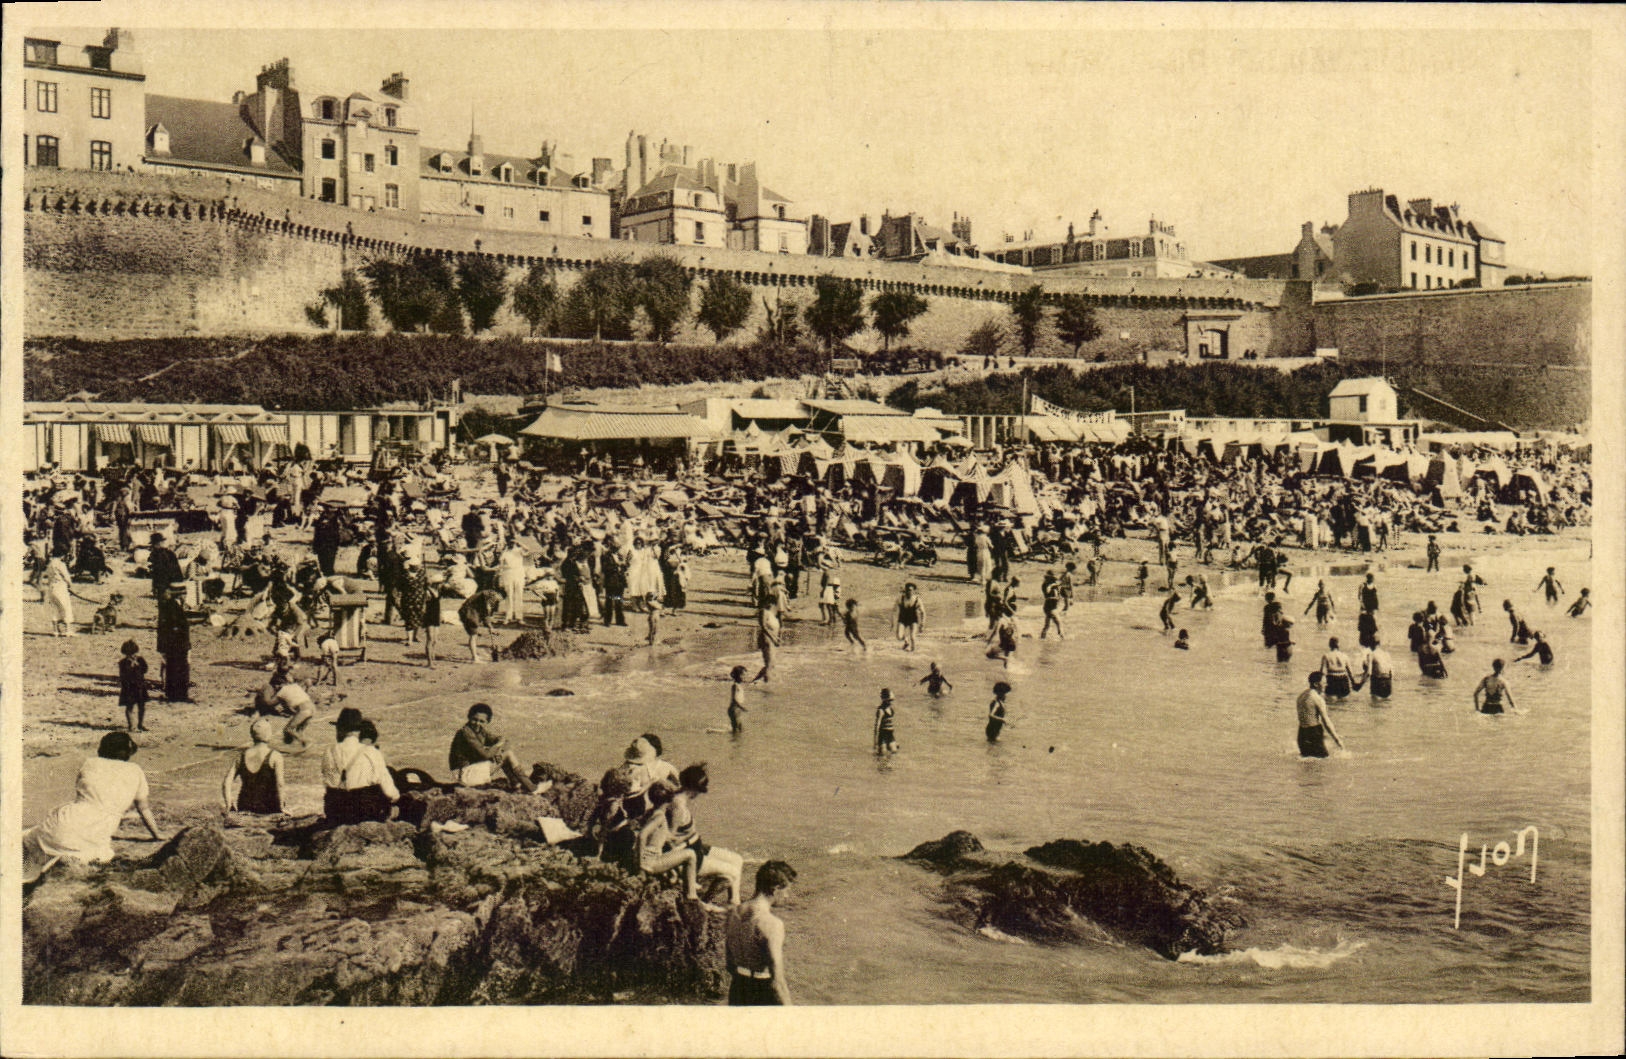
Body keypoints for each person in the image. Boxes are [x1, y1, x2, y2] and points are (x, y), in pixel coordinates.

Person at [22, 731, 166, 883]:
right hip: (97, 829)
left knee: (31, 841)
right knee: (91, 853)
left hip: (66, 820)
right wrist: (157, 834)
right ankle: (61, 862)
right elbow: (143, 809)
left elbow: (83, 792)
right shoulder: (135, 771)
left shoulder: (90, 763)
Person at [665, 763, 744, 904]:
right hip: (690, 855)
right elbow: (669, 839)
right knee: (733, 872)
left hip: (696, 847)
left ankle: (732, 900)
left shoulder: (678, 798)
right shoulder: (678, 807)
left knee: (737, 859)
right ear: (694, 789)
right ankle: (723, 903)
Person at [725, 860, 797, 1005]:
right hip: (762, 991)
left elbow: (729, 963)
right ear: (776, 889)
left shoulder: (733, 913)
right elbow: (778, 982)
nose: (787, 896)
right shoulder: (772, 924)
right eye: (787, 890)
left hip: (737, 987)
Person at [320, 707, 399, 824]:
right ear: (359, 731)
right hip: (365, 810)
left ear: (340, 729)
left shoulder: (329, 751)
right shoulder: (371, 751)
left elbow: (329, 780)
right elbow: (388, 789)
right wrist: (395, 800)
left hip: (336, 811)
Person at [448, 702, 541, 792]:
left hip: (472, 771)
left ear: (487, 722)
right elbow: (485, 755)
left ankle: (516, 785)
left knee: (504, 756)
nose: (477, 723)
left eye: (481, 721)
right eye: (474, 719)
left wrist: (497, 751)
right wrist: (497, 749)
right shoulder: (466, 733)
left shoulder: (481, 731)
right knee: (508, 755)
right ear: (469, 717)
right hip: (464, 774)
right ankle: (531, 788)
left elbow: (502, 740)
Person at [635, 784, 704, 903]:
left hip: (650, 858)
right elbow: (642, 835)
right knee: (691, 854)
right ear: (667, 801)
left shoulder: (650, 813)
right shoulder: (660, 817)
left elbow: (659, 837)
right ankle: (691, 896)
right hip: (651, 862)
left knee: (679, 853)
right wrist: (641, 866)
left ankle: (678, 881)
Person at [222, 717, 285, 814]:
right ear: (269, 734)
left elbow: (227, 782)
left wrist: (229, 803)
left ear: (252, 735)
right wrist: (282, 807)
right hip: (269, 806)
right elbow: (280, 784)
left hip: (245, 805)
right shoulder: (276, 756)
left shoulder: (241, 756)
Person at [155, 584, 192, 703]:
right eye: (184, 594)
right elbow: (171, 627)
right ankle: (178, 695)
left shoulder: (173, 605)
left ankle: (175, 694)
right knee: (178, 669)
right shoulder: (172, 607)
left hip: (177, 644)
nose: (185, 597)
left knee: (175, 669)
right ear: (179, 595)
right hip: (176, 644)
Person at [1295, 672, 1344, 758]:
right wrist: (1337, 739)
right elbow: (1326, 722)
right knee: (1323, 764)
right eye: (1324, 682)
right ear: (1316, 684)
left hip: (1301, 734)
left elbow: (1306, 717)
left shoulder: (1301, 696)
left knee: (1307, 764)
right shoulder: (1317, 699)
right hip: (1314, 734)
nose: (1326, 685)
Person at [459, 587, 506, 663]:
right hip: (469, 613)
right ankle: (475, 658)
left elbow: (485, 615)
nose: (499, 600)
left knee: (474, 635)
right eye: (500, 598)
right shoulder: (490, 593)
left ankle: (475, 656)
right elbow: (485, 597)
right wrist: (488, 605)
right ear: (498, 593)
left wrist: (490, 627)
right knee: (473, 635)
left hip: (470, 613)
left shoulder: (491, 598)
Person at [118, 639, 150, 732]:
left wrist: (138, 665)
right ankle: (131, 726)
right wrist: (130, 666)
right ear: (126, 654)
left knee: (142, 706)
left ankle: (140, 724)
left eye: (134, 653)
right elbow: (123, 676)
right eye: (130, 654)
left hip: (140, 686)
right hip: (129, 688)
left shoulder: (140, 659)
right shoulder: (123, 663)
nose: (132, 656)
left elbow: (145, 669)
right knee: (130, 707)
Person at [43, 551, 76, 636]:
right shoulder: (61, 564)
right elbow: (67, 577)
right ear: (62, 554)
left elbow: (48, 576)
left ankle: (55, 631)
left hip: (51, 587)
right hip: (60, 587)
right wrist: (70, 585)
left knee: (54, 608)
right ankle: (68, 631)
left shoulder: (50, 564)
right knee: (66, 608)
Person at [752, 606, 780, 683]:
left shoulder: (772, 614)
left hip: (771, 640)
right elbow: (763, 626)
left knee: (772, 664)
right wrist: (774, 638)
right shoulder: (764, 611)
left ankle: (756, 681)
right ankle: (766, 682)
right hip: (766, 640)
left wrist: (776, 638)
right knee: (769, 664)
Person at [895, 583, 924, 651]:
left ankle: (913, 651)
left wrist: (922, 624)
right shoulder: (900, 598)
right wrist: (893, 622)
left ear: (914, 591)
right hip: (903, 619)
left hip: (913, 619)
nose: (908, 592)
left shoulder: (917, 600)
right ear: (905, 590)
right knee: (899, 636)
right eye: (907, 590)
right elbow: (894, 611)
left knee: (913, 637)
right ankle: (906, 641)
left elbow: (923, 612)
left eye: (910, 590)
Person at [873, 688, 899, 754]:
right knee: (882, 756)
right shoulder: (881, 710)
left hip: (890, 734)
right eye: (889, 700)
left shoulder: (891, 709)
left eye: (892, 700)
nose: (891, 702)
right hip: (883, 735)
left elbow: (891, 723)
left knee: (894, 752)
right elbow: (877, 726)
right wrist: (875, 742)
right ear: (885, 700)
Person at [727, 665, 749, 734]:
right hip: (734, 709)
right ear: (737, 676)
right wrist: (741, 707)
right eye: (743, 675)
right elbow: (734, 699)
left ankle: (737, 742)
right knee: (736, 729)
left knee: (740, 728)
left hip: (737, 709)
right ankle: (735, 742)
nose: (745, 677)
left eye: (745, 675)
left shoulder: (739, 686)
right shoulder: (735, 686)